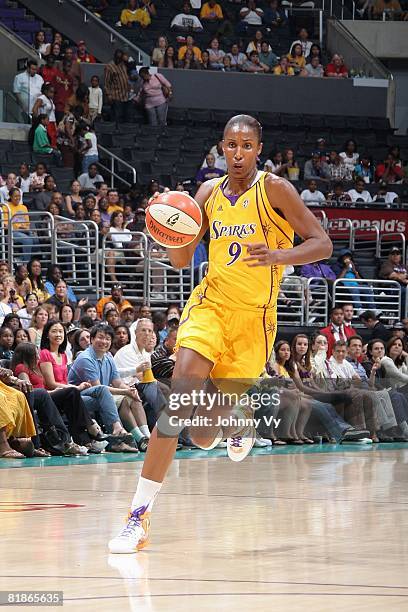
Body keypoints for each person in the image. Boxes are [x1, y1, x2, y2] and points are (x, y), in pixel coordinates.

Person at [108, 113, 332, 553]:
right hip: (210, 307)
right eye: (231, 145)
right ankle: (137, 517)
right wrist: (168, 225)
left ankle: (236, 419)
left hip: (254, 322)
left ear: (258, 149)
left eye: (247, 146)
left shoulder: (276, 191)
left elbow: (321, 243)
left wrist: (278, 255)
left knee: (204, 435)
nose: (238, 153)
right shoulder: (208, 193)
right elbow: (179, 261)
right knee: (178, 407)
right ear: (221, 146)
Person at [104, 50, 130, 124]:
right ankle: (116, 133)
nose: (118, 60)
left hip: (126, 96)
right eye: (117, 58)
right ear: (114, 56)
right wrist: (108, 95)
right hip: (116, 96)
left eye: (120, 58)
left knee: (126, 118)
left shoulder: (123, 65)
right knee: (117, 117)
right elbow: (106, 83)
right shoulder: (109, 66)